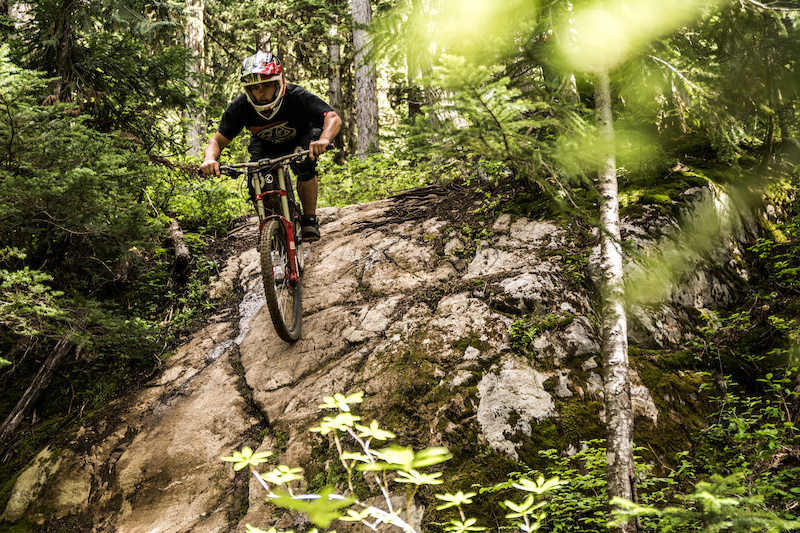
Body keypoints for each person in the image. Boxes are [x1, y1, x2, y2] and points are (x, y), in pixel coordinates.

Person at [199, 51, 342, 242]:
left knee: (304, 161)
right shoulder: (241, 107)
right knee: (256, 176)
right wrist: (209, 159)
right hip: (264, 144)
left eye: (267, 85)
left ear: (278, 82)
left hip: (300, 137)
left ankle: (309, 219)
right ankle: (268, 226)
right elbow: (217, 140)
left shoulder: (296, 96)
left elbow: (332, 118)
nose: (261, 92)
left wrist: (324, 139)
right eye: (255, 87)